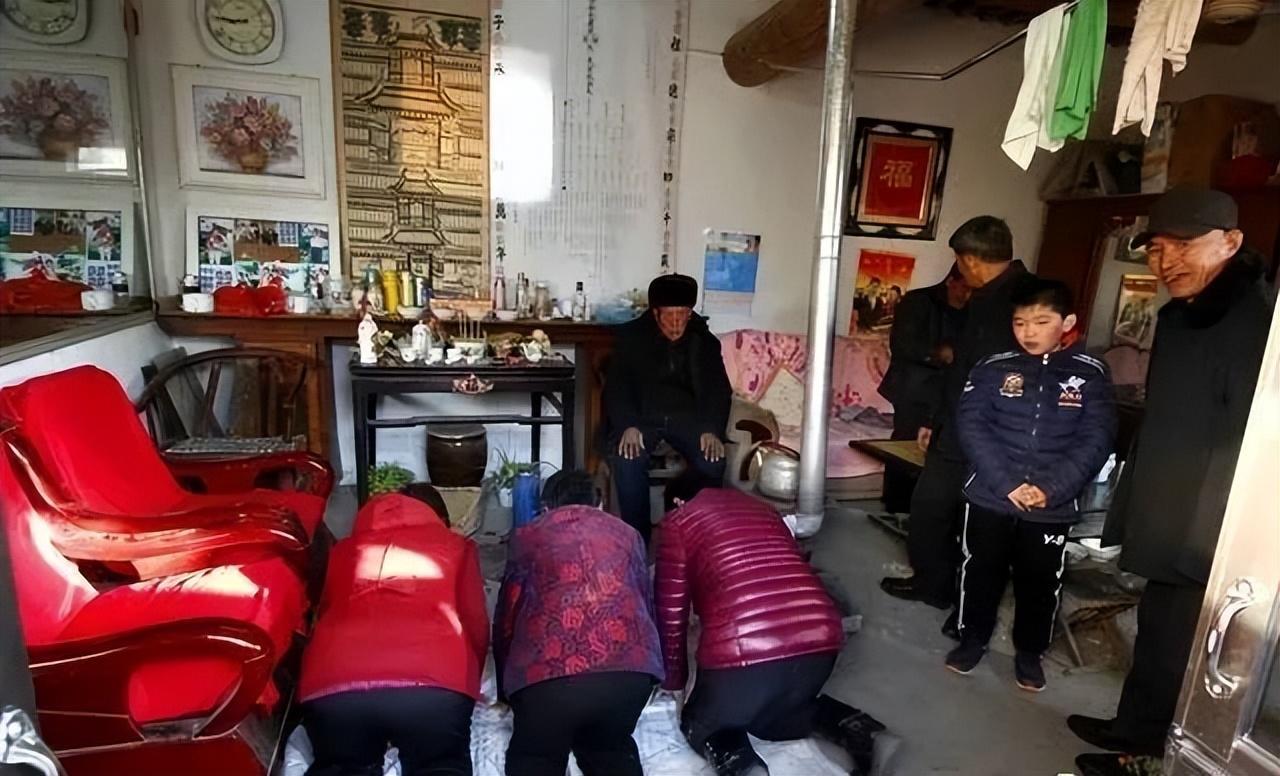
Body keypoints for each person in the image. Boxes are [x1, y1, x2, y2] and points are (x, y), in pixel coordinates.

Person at [1070, 189, 1275, 776]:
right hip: (1168, 503)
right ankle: (1133, 727)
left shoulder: (1257, 322)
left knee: (1189, 647)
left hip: (1208, 523)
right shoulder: (1184, 313)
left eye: (1184, 245)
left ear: (1231, 242)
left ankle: (1150, 758)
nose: (1167, 262)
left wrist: (1215, 537)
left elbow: (1249, 442)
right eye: (1157, 249)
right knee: (1159, 629)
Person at [948, 279, 1116, 691]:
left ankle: (1029, 652)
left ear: (1067, 322)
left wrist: (1051, 489)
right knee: (979, 570)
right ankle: (972, 639)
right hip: (990, 495)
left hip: (1051, 505)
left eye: (1042, 322)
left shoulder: (1089, 373)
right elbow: (972, 426)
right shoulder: (993, 367)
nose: (1029, 331)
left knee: (1040, 581)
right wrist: (1007, 484)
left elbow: (1096, 438)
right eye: (1020, 322)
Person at [656, 479, 881, 776]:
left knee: (702, 725)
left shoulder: (679, 521)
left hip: (744, 651)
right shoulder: (764, 509)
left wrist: (674, 682)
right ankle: (863, 730)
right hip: (821, 635)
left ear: (677, 503)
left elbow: (671, 612)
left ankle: (746, 768)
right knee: (776, 720)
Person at [881, 216, 1034, 639]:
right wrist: (935, 420)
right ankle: (933, 585)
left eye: (960, 262)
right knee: (931, 508)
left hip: (996, 433)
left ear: (970, 260)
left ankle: (969, 612)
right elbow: (960, 369)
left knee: (983, 527)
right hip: (956, 423)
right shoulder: (983, 298)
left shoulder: (1027, 300)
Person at [298, 488, 488, 776]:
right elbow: (475, 622)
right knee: (439, 765)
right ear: (438, 518)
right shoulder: (457, 547)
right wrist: (468, 681)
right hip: (433, 687)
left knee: (343, 768)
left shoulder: (343, 552)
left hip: (335, 688)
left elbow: (323, 615)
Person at [493, 470, 664, 776]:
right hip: (629, 676)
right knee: (610, 749)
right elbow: (645, 606)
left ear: (546, 507)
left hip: (549, 680)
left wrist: (507, 689)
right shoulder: (629, 535)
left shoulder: (528, 536)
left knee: (536, 756)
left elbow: (508, 616)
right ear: (599, 504)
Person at [604, 273, 733, 544]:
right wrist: (627, 425)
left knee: (713, 461)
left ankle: (688, 525)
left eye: (682, 315)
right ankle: (638, 541)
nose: (676, 324)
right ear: (655, 313)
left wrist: (711, 429)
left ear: (690, 313)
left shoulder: (705, 342)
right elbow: (617, 388)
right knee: (628, 459)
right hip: (642, 417)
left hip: (688, 418)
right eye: (669, 316)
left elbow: (718, 390)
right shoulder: (631, 339)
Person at [876, 264, 970, 513]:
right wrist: (939, 354)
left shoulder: (973, 310)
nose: (968, 295)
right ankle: (896, 507)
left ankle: (926, 509)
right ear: (951, 281)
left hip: (950, 390)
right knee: (906, 446)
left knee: (943, 450)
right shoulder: (918, 301)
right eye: (965, 288)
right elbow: (902, 345)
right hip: (913, 387)